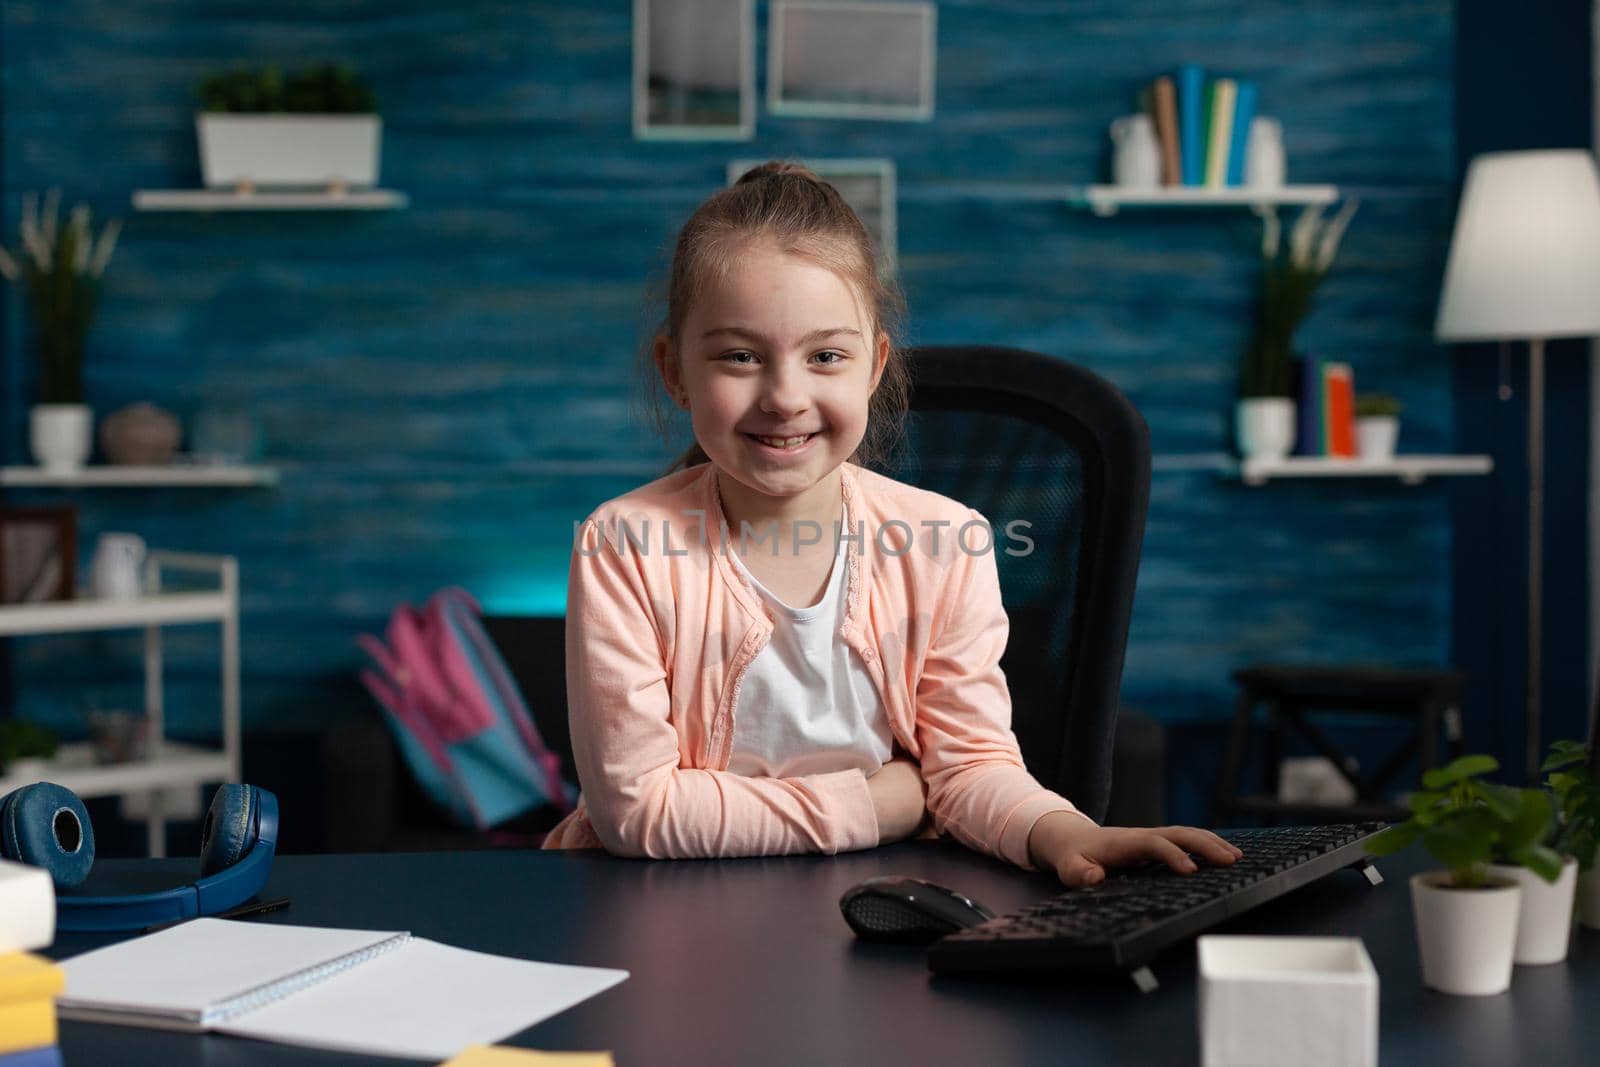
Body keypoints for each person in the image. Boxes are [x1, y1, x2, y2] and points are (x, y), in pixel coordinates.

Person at [542, 160, 1241, 887]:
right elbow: (636, 809)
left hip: (864, 915)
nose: (786, 395)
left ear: (873, 367)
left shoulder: (946, 543)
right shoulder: (623, 544)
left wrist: (1063, 832)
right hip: (662, 916)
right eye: (741, 356)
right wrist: (875, 807)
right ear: (676, 370)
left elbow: (970, 769)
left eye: (825, 356)